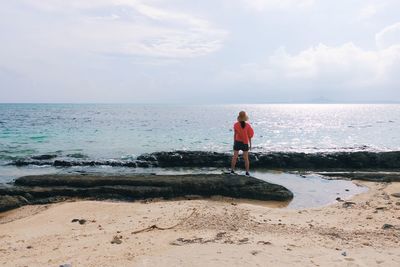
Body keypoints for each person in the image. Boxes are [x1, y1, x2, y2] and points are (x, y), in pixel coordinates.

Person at [230, 111, 254, 176]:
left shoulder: (235, 125)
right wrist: (250, 145)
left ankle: (232, 171)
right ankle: (247, 172)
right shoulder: (248, 125)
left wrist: (234, 142)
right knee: (246, 159)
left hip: (237, 142)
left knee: (234, 157)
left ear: (239, 117)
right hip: (245, 143)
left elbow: (235, 134)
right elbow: (250, 136)